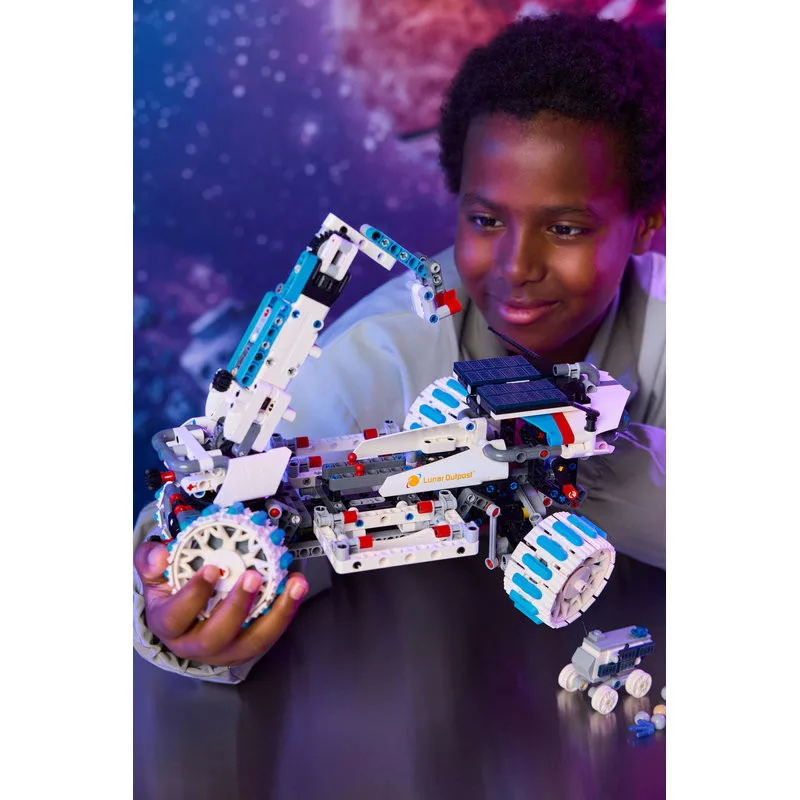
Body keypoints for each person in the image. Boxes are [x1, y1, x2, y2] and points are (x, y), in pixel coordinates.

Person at [133, 13, 666, 683]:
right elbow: (230, 519)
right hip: (420, 687)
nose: (515, 266)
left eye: (565, 228)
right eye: (485, 219)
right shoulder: (374, 356)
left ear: (646, 225)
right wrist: (181, 613)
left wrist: (588, 456)